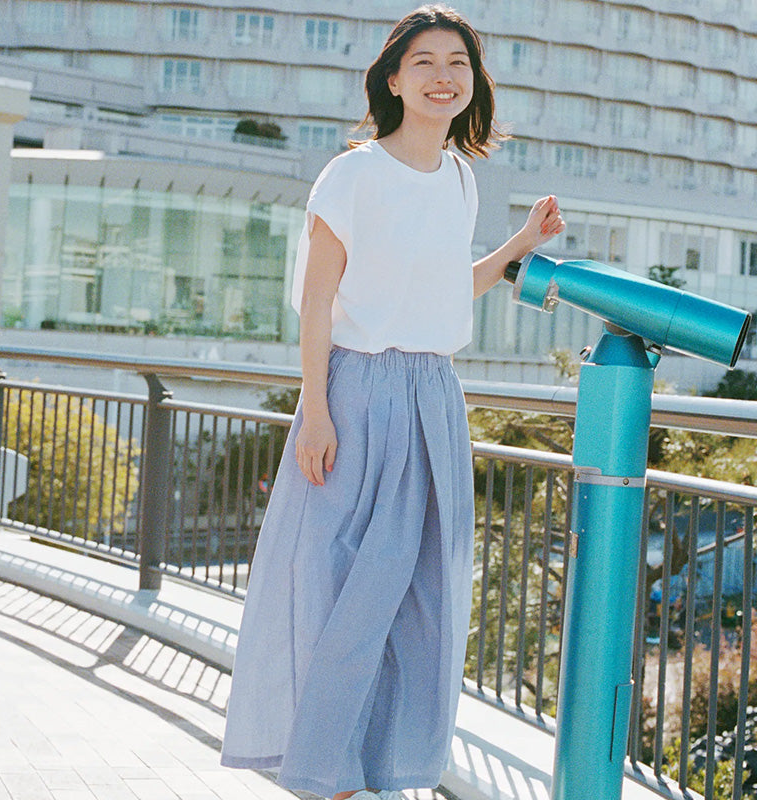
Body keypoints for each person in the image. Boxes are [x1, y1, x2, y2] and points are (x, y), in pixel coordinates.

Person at [219, 5, 565, 800]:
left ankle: (382, 768)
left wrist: (517, 248)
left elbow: (444, 287)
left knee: (423, 597)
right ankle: (325, 773)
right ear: (394, 79)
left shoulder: (460, 177)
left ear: (473, 82)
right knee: (342, 587)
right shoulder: (353, 173)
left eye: (458, 63)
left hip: (433, 396)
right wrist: (316, 408)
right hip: (357, 389)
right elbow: (317, 302)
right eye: (425, 63)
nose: (444, 76)